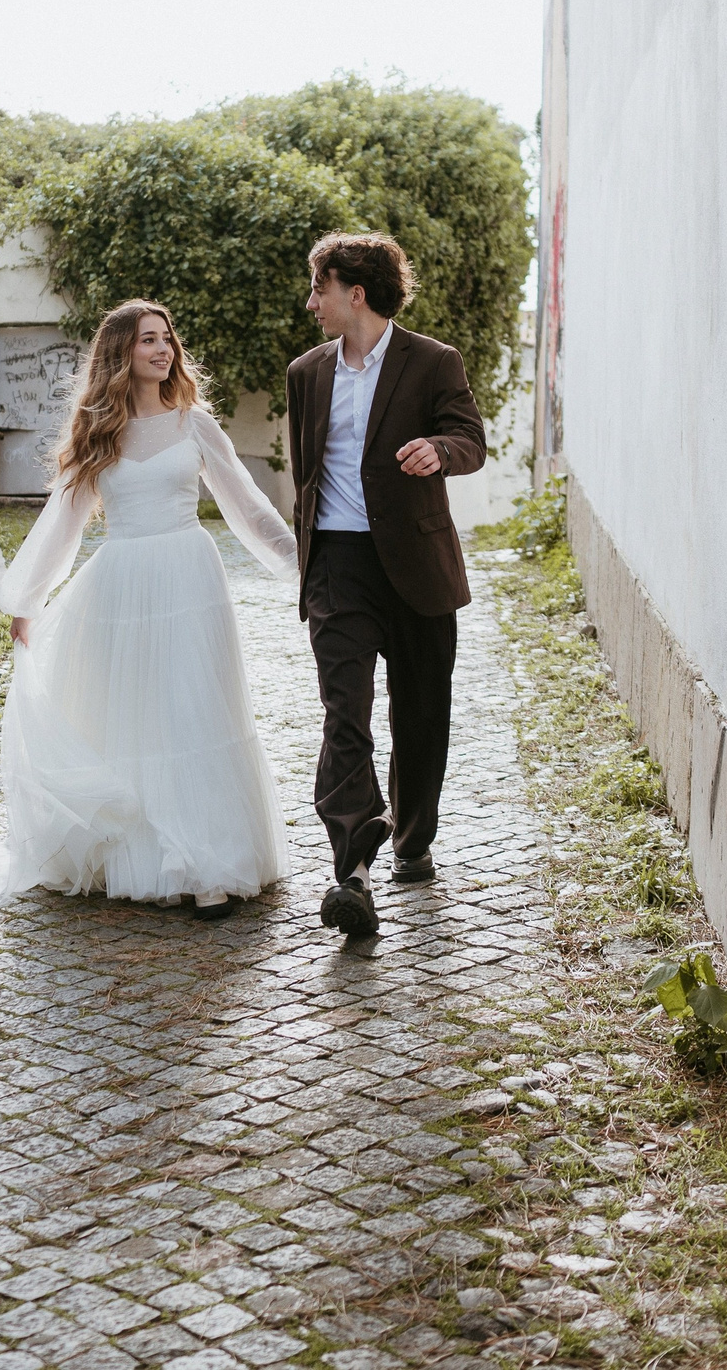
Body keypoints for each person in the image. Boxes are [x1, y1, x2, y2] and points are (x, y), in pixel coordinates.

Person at [0, 299, 298, 917]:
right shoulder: (97, 433)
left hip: (190, 578)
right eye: (147, 340)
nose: (162, 350)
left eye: (167, 340)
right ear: (120, 353)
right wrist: (27, 600)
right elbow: (62, 522)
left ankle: (208, 864)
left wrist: (301, 565)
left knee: (195, 709)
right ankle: (150, 856)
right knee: (140, 715)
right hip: (123, 586)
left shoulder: (195, 424)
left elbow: (247, 506)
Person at [286, 232, 487, 938]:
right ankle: (352, 868)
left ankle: (412, 838)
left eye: (320, 289)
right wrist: (307, 566)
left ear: (356, 293)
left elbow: (471, 438)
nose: (312, 303)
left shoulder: (433, 362)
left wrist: (440, 451)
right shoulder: (306, 373)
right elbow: (306, 476)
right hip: (339, 568)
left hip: (417, 567)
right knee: (345, 716)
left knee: (422, 714)